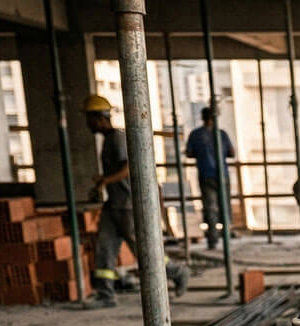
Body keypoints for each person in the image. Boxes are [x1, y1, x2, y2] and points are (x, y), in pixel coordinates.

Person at [82, 95, 187, 308]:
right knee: (104, 249)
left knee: (144, 251)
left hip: (129, 206)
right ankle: (105, 295)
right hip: (114, 206)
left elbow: (128, 167)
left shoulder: (118, 139)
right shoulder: (108, 140)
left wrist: (105, 181)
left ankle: (176, 272)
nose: (87, 123)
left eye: (89, 118)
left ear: (99, 117)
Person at [184, 106, 235, 250]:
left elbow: (189, 153)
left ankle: (212, 240)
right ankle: (226, 236)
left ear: (202, 117)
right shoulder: (221, 134)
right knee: (224, 205)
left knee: (210, 207)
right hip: (221, 174)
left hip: (206, 174)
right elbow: (232, 153)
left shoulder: (195, 135)